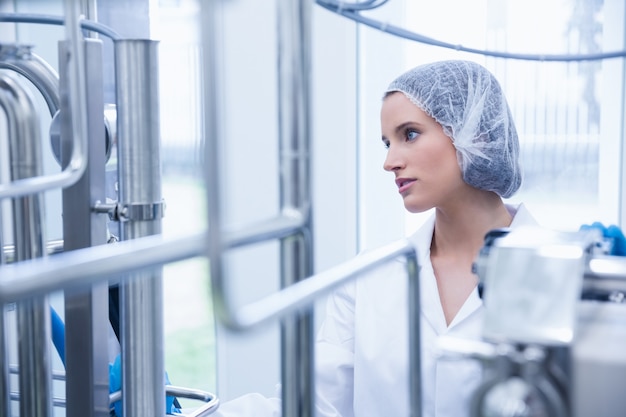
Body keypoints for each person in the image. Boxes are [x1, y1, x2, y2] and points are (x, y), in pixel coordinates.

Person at [212, 60, 537, 417]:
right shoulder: (368, 279)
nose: (389, 161)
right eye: (387, 142)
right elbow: (310, 406)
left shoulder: (572, 275)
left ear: (477, 133)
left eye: (409, 134)